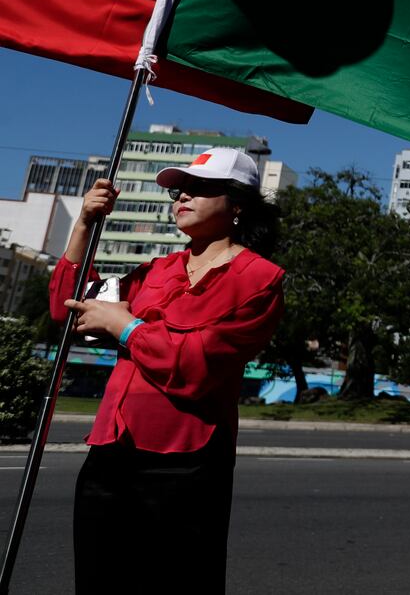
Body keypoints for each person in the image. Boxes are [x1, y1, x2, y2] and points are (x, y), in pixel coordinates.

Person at [49, 147, 286, 594]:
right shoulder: (156, 270)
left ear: (238, 204)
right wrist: (84, 225)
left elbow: (195, 365)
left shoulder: (260, 279)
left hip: (186, 464)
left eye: (199, 188)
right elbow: (68, 309)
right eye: (179, 190)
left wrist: (125, 325)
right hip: (111, 455)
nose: (181, 197)